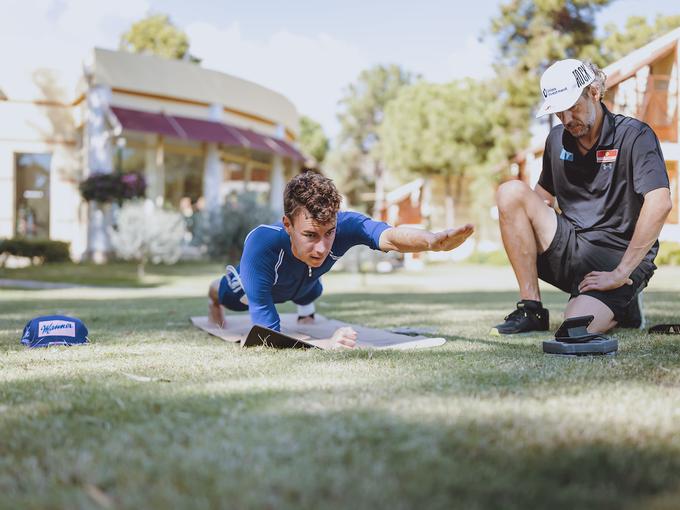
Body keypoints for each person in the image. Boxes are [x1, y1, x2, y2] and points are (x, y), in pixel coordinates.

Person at [493, 59, 672, 335]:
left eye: (572, 108)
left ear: (594, 93)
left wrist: (620, 273)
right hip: (573, 246)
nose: (566, 120)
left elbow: (660, 203)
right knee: (509, 192)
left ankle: (623, 302)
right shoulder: (556, 140)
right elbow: (541, 197)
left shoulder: (636, 136)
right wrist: (518, 226)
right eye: (558, 113)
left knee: (575, 328)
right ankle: (531, 308)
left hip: (618, 256)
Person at [209, 171, 474, 348]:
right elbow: (266, 336)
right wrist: (325, 343)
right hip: (259, 286)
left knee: (313, 288)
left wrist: (432, 241)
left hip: (306, 283)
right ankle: (214, 294)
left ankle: (305, 309)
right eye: (310, 234)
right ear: (288, 225)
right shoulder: (262, 245)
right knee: (226, 293)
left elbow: (390, 237)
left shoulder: (348, 226)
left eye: (330, 233)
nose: (322, 247)